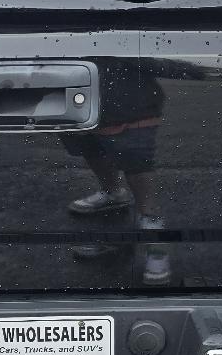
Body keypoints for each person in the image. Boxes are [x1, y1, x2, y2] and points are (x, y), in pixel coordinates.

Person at [60, 61, 170, 285]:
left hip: (132, 101)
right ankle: (113, 193)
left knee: (137, 167)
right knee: (90, 148)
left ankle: (156, 247)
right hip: (73, 94)